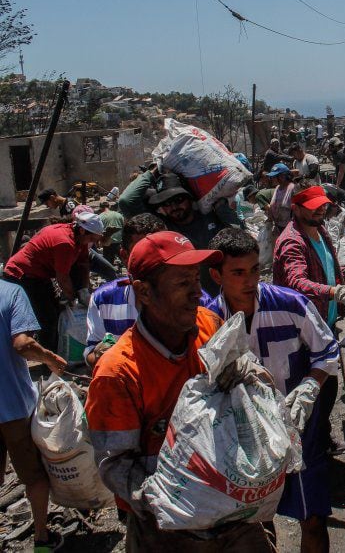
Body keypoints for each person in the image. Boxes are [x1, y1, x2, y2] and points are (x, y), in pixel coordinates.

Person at [85, 231, 272, 551]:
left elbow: (244, 369)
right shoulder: (117, 374)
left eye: (196, 280)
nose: (197, 293)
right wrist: (171, 499)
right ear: (144, 292)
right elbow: (115, 465)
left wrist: (253, 378)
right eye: (182, 284)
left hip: (235, 516)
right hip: (168, 530)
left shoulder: (209, 325)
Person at [207, 228, 339, 553]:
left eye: (254, 270)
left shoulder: (291, 305)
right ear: (216, 275)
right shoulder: (207, 320)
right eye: (237, 273)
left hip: (297, 425)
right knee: (256, 521)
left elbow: (327, 351)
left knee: (313, 515)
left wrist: (310, 386)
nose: (249, 280)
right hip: (241, 434)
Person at [84, 214, 214, 368]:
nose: (156, 260)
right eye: (143, 253)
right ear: (125, 257)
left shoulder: (201, 305)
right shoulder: (103, 299)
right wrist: (104, 357)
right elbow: (91, 353)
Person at [0, 279, 67, 552]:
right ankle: (41, 538)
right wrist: (51, 358)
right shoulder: (11, 292)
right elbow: (22, 343)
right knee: (34, 475)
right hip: (14, 405)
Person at [2, 212, 104, 351]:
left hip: (39, 275)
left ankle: (55, 351)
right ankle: (48, 360)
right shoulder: (64, 242)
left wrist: (85, 290)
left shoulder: (79, 240)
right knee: (47, 318)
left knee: (55, 312)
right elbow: (62, 277)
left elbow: (83, 265)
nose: (92, 241)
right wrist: (72, 298)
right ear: (81, 230)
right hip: (22, 275)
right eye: (91, 237)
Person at [273, 185, 345, 326]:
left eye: (322, 204)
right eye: (313, 206)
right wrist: (335, 292)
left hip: (325, 321)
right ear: (296, 208)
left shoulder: (320, 230)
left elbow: (323, 271)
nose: (321, 210)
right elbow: (297, 283)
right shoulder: (292, 242)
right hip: (304, 328)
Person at [266, 163, 296, 235]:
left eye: (274, 177)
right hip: (279, 227)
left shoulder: (292, 188)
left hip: (290, 229)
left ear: (283, 176)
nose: (272, 179)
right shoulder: (278, 188)